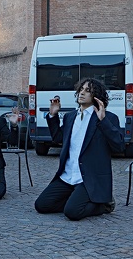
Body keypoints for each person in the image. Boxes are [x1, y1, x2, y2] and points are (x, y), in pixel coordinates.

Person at [34, 78, 125, 220]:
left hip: (88, 178)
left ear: (96, 96)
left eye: (88, 91)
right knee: (41, 205)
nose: (82, 93)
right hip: (67, 176)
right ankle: (75, 200)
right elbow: (58, 139)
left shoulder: (108, 118)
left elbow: (119, 146)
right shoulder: (71, 117)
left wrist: (103, 121)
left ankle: (104, 205)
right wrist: (53, 116)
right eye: (81, 90)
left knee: (72, 212)